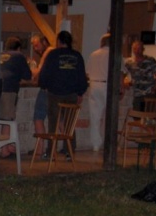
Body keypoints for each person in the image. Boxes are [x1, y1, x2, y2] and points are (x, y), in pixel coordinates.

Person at [38, 30, 89, 159]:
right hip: (71, 94)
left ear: (59, 41)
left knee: (53, 124)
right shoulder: (77, 56)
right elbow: (82, 77)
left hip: (54, 94)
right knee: (69, 124)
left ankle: (51, 152)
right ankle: (69, 151)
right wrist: (80, 92)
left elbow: (45, 73)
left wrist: (43, 85)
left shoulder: (53, 55)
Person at [0, 36, 32, 157]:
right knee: (7, 119)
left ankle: (6, 146)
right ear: (18, 48)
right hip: (9, 88)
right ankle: (4, 150)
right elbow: (28, 75)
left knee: (2, 119)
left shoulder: (0, 54)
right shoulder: (19, 56)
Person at [86, 33, 111, 151]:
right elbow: (121, 72)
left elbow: (88, 72)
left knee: (95, 116)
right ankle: (108, 142)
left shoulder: (93, 54)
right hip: (107, 85)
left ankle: (96, 144)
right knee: (109, 116)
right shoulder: (114, 54)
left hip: (94, 84)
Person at [29, 34, 53, 148]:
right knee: (60, 120)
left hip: (46, 90)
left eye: (37, 45)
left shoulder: (48, 52)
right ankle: (68, 147)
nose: (35, 49)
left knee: (38, 117)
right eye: (34, 46)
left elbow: (39, 71)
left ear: (44, 42)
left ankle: (40, 148)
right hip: (55, 90)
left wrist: (31, 71)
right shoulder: (54, 52)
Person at [124, 40, 156, 111]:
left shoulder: (150, 60)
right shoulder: (129, 62)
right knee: (137, 113)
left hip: (149, 93)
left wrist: (154, 88)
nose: (137, 51)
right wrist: (124, 82)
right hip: (137, 94)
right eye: (135, 49)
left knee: (150, 114)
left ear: (143, 49)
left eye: (139, 49)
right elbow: (123, 73)